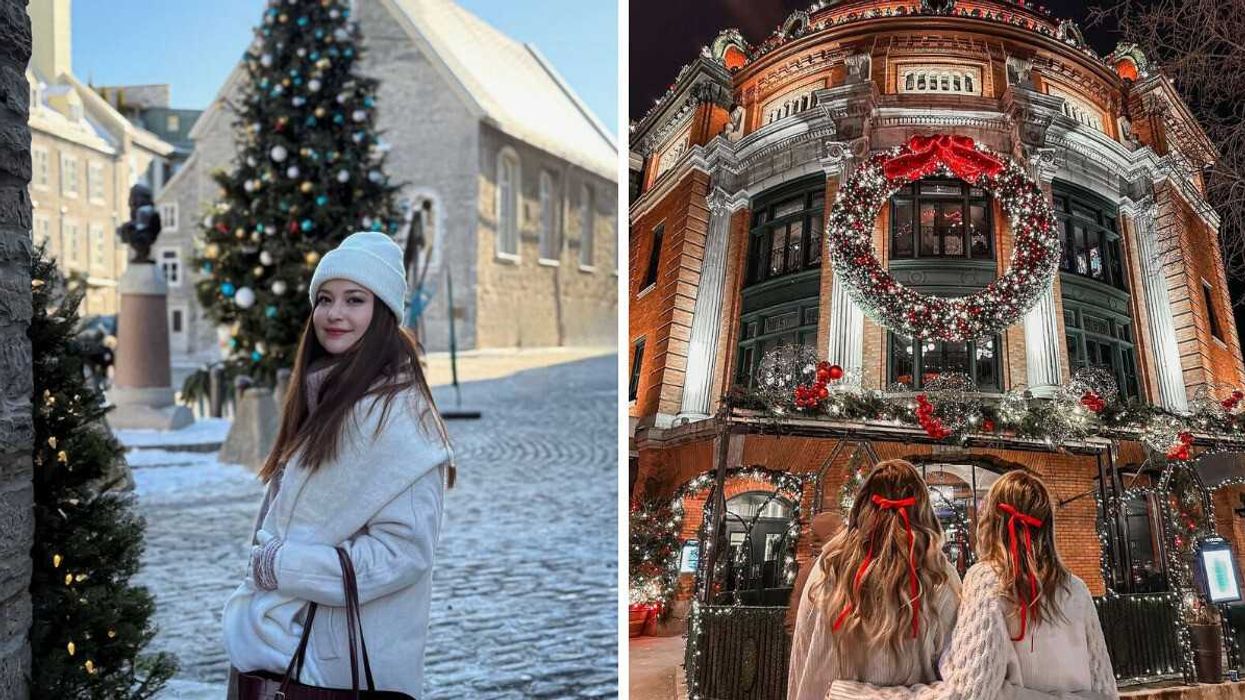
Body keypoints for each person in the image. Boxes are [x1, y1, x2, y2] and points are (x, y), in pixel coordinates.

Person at [222, 231, 455, 698]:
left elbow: (403, 553)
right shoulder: (323, 394)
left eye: (355, 300)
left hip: (331, 667)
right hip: (277, 654)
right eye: (325, 299)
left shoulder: (399, 415)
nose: (334, 313)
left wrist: (284, 566)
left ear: (383, 312)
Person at [831, 470, 1117, 700]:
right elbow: (1105, 688)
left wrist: (859, 694)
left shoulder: (987, 580)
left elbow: (970, 693)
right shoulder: (1076, 589)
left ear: (991, 521)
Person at [788, 459, 962, 700]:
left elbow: (804, 663)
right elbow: (957, 684)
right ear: (923, 510)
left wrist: (849, 695)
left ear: (863, 505)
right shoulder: (940, 577)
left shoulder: (828, 568)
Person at [785, 510, 845, 636]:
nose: (812, 543)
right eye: (814, 538)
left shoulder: (846, 567)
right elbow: (796, 603)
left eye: (818, 539)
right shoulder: (809, 570)